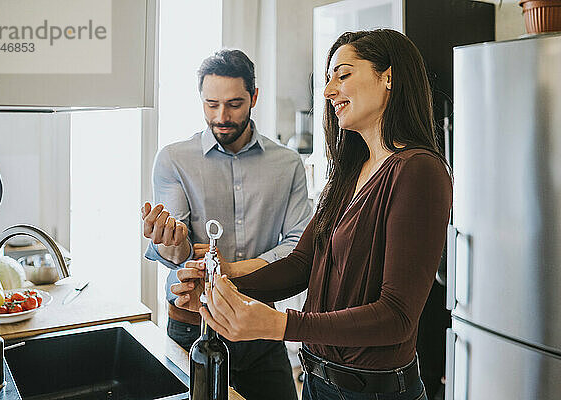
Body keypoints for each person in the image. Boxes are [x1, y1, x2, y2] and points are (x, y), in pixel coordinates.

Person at [173, 29, 452, 400]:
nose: (328, 91)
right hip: (320, 382)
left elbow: (396, 317)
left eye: (344, 74)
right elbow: (302, 264)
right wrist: (219, 289)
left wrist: (280, 324)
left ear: (389, 77)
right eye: (328, 78)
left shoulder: (418, 170)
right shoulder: (351, 170)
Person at [141, 49, 311, 400]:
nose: (221, 116)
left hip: (261, 324)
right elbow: (179, 251)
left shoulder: (288, 164)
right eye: (211, 104)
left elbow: (299, 243)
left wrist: (230, 271)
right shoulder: (173, 159)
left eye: (234, 104)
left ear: (254, 97)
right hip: (194, 327)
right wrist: (169, 240)